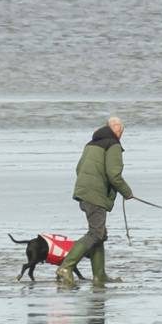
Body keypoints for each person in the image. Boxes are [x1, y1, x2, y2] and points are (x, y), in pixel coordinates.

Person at [59, 116, 134, 286]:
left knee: (100, 234)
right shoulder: (113, 144)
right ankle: (66, 266)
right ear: (119, 131)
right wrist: (127, 193)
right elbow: (114, 174)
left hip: (83, 191)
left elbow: (78, 168)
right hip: (95, 194)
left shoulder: (91, 144)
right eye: (121, 132)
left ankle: (99, 276)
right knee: (96, 233)